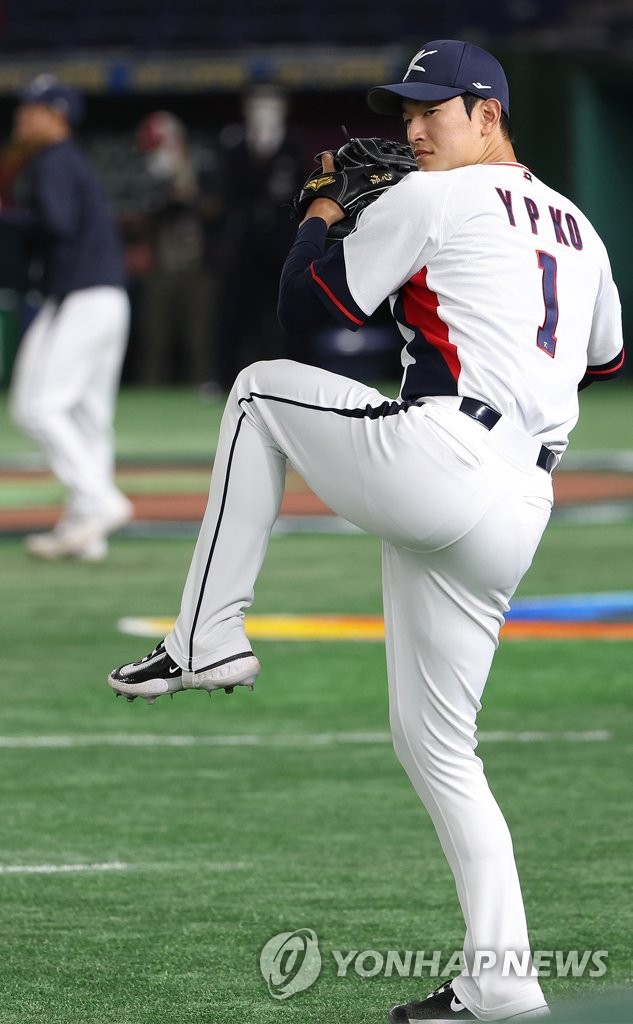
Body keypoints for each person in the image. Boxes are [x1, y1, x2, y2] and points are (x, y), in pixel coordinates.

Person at [107, 40, 625, 1021]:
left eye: (434, 109)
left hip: (444, 454)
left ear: (489, 113)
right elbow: (602, 359)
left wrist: (325, 206)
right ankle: (503, 983)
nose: (414, 128)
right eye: (406, 112)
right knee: (437, 746)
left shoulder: (431, 199)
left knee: (260, 390)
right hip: (518, 506)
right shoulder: (585, 229)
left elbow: (307, 310)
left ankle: (208, 638)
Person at [8, 75, 131, 561]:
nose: (21, 116)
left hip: (81, 296)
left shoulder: (52, 160)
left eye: (31, 108)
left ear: (55, 115)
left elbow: (54, 226)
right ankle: (86, 530)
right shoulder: (67, 160)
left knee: (38, 407)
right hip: (105, 295)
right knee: (88, 415)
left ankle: (99, 501)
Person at [213, 84, 306, 390]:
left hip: (282, 242)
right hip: (245, 242)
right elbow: (227, 194)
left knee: (287, 310)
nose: (265, 109)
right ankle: (226, 379)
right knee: (237, 313)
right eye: (258, 102)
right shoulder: (233, 142)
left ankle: (297, 380)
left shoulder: (294, 143)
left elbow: (303, 192)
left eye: (272, 102)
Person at [133, 111, 221, 386]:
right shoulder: (154, 176)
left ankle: (203, 388)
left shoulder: (203, 168)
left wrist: (189, 197)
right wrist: (165, 197)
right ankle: (151, 392)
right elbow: (142, 223)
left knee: (199, 336)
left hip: (198, 266)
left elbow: (217, 210)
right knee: (155, 337)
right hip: (162, 266)